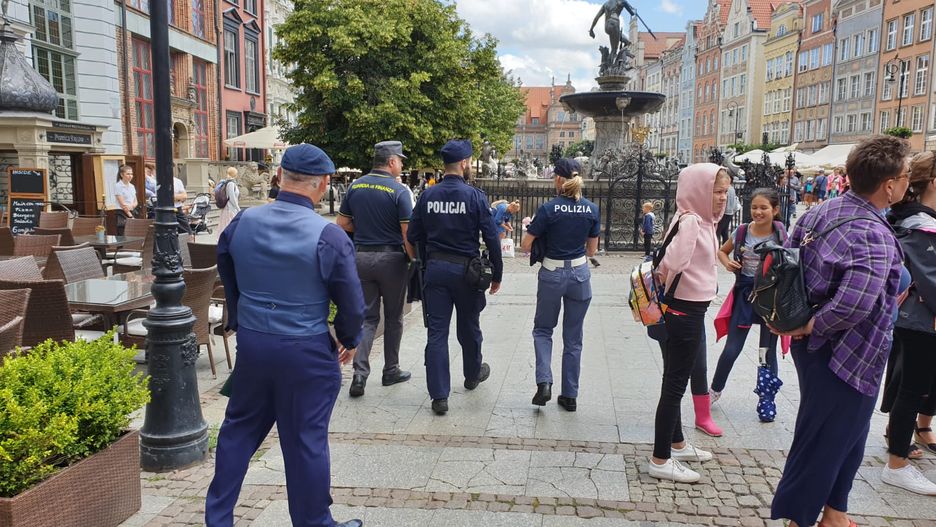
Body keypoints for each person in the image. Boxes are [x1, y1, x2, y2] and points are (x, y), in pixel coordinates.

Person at [205, 143, 365, 527]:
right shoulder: (329, 235)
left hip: (256, 343)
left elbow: (226, 270)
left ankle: (219, 518)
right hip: (305, 348)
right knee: (305, 439)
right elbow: (352, 304)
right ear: (323, 184)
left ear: (279, 177)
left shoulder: (242, 222)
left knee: (238, 431)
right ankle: (314, 523)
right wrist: (347, 337)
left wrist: (242, 319)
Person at [770, 135, 909, 527]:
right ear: (888, 184)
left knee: (848, 432)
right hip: (847, 350)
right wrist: (816, 324)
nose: (906, 183)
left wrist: (805, 324)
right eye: (905, 175)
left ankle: (836, 513)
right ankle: (798, 517)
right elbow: (855, 303)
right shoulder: (873, 232)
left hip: (816, 346)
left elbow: (790, 263)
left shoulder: (822, 211)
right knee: (825, 439)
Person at [406, 140, 503, 416]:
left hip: (435, 271)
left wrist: (420, 262)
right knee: (469, 327)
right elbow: (492, 238)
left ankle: (439, 396)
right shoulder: (474, 196)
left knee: (437, 333)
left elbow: (412, 236)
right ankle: (472, 374)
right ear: (463, 163)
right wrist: (497, 273)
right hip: (467, 273)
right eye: (469, 161)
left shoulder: (428, 196)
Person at [649, 163, 731, 483]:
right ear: (699, 191)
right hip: (684, 312)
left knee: (673, 380)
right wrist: (670, 283)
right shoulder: (693, 222)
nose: (722, 198)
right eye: (716, 192)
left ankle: (677, 443)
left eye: (725, 192)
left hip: (681, 309)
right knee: (674, 386)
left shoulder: (690, 216)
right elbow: (674, 261)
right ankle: (660, 459)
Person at [520, 158, 599, 411]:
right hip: (579, 274)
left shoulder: (548, 209)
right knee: (574, 338)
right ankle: (570, 395)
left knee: (543, 330)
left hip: (552, 273)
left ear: (557, 179)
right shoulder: (591, 209)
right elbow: (592, 249)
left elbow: (525, 245)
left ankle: (544, 382)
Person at [337, 140, 415, 398]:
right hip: (391, 260)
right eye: (400, 160)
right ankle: (390, 369)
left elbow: (342, 223)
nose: (401, 165)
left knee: (368, 318)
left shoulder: (355, 186)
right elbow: (407, 233)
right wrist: (414, 260)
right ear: (391, 161)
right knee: (393, 318)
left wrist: (365, 231)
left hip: (361, 258)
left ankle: (359, 374)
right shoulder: (399, 191)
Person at [880, 150, 936, 495]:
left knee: (909, 385)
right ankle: (897, 462)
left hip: (914, 317)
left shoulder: (912, 217)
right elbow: (930, 279)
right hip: (920, 320)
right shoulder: (922, 225)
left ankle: (901, 446)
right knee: (911, 389)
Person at [710, 188, 786, 418]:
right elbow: (722, 251)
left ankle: (766, 398)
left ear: (775, 210)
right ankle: (714, 390)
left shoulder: (781, 235)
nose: (758, 212)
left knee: (766, 351)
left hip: (771, 299)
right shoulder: (742, 231)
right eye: (754, 207)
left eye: (764, 207)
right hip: (745, 296)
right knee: (732, 348)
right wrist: (727, 263)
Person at [114, 164, 138, 235]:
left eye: (131, 174)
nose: (130, 176)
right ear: (122, 175)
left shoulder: (132, 186)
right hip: (122, 213)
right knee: (123, 235)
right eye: (128, 174)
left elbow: (135, 201)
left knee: (132, 235)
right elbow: (122, 204)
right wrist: (130, 216)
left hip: (131, 211)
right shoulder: (118, 186)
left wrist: (132, 206)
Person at [217, 167, 241, 234]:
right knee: (228, 226)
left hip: (231, 209)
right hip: (229, 209)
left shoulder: (231, 183)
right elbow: (232, 198)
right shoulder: (230, 183)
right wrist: (238, 208)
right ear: (234, 174)